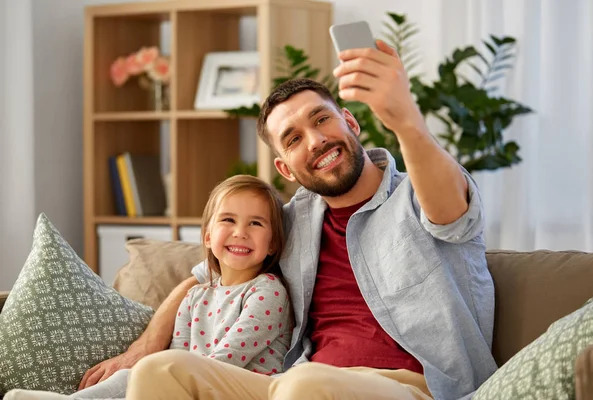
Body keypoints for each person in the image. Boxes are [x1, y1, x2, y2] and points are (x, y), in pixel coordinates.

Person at [48, 39, 496, 400]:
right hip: (290, 385)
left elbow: (450, 214)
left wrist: (405, 120)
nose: (317, 140)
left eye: (323, 119)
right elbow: (207, 274)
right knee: (163, 371)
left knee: (305, 384)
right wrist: (142, 348)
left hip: (413, 389)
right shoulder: (291, 222)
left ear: (352, 124)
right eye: (294, 138)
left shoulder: (419, 193)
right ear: (285, 168)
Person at [4, 175, 292, 400]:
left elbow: (225, 361)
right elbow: (176, 354)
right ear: (207, 237)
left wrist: (168, 377)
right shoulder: (195, 296)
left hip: (236, 388)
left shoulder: (268, 292)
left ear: (273, 244)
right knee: (133, 374)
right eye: (228, 220)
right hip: (194, 383)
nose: (240, 232)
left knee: (150, 372)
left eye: (255, 223)